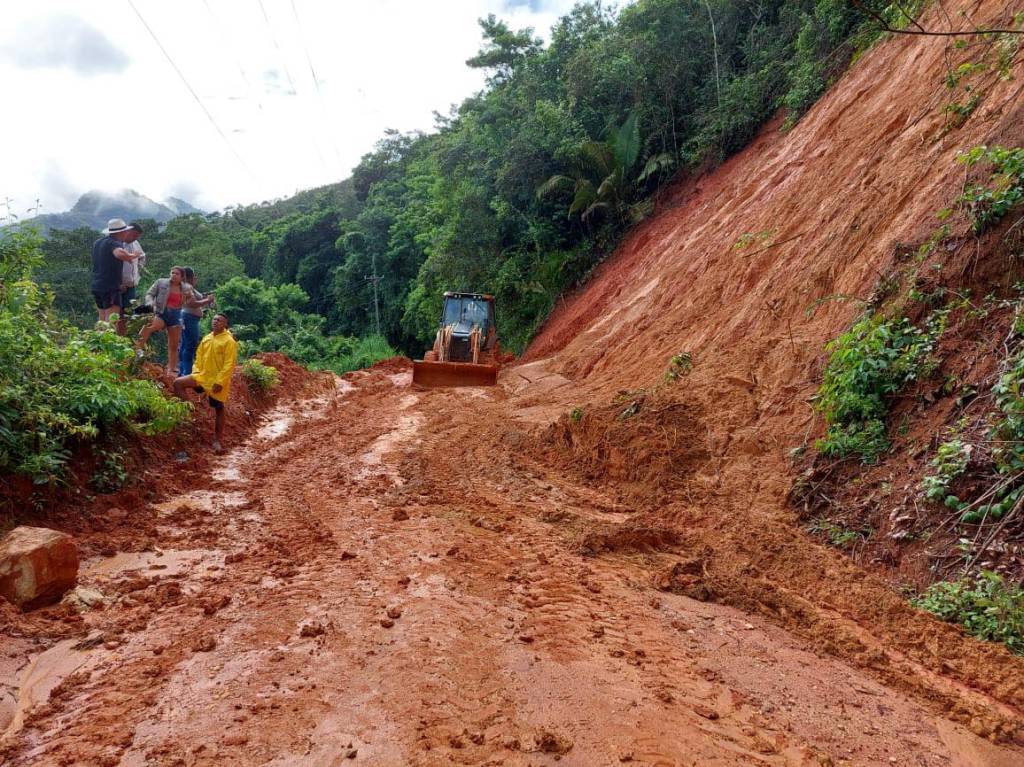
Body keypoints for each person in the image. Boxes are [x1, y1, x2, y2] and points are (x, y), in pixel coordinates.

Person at [173, 314, 238, 452]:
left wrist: (220, 381)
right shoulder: (207, 338)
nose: (215, 321)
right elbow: (198, 358)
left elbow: (229, 364)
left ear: (225, 324)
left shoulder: (229, 341)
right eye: (214, 319)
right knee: (178, 383)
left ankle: (218, 441)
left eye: (219, 320)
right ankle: (191, 414)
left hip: (216, 381)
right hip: (202, 376)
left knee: (219, 407)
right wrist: (196, 372)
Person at [137, 266, 192, 376]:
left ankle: (171, 369)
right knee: (148, 328)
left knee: (174, 344)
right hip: (162, 312)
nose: (173, 275)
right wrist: (150, 303)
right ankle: (136, 351)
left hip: (176, 315)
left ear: (182, 277)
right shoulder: (161, 282)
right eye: (172, 273)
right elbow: (149, 294)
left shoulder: (186, 287)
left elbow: (190, 298)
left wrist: (187, 298)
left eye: (177, 274)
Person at [90, 218, 139, 323]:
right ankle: (110, 339)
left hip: (97, 285)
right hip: (110, 286)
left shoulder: (98, 242)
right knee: (112, 320)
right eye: (125, 231)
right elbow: (119, 253)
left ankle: (97, 338)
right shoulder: (115, 242)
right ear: (121, 232)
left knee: (102, 318)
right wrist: (132, 256)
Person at [178, 267, 216, 376]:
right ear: (190, 276)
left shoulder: (187, 287)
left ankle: (182, 371)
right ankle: (187, 372)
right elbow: (192, 303)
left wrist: (205, 299)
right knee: (190, 345)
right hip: (189, 318)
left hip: (188, 317)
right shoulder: (187, 287)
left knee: (185, 344)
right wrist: (207, 300)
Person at [116, 222, 147, 335]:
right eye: (133, 235)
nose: (135, 238)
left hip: (131, 285)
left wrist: (139, 269)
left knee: (127, 315)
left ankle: (122, 338)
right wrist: (118, 282)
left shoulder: (135, 244)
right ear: (127, 231)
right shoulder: (117, 244)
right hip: (118, 286)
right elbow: (111, 266)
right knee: (115, 314)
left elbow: (142, 256)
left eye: (137, 237)